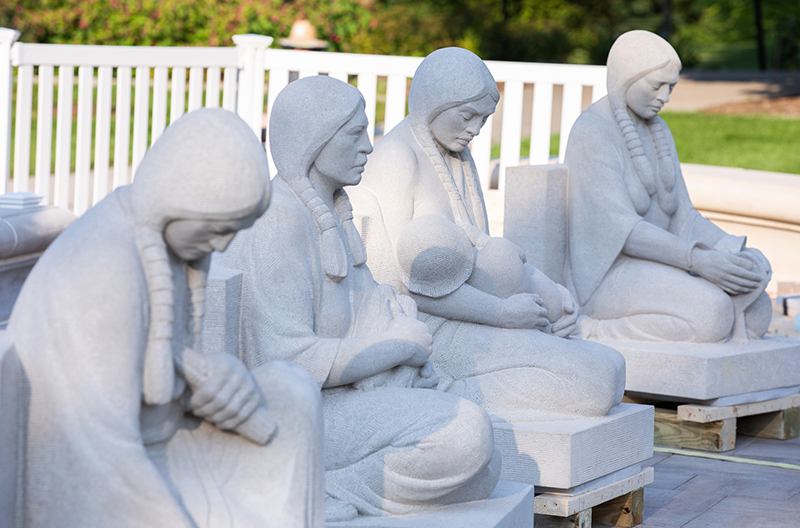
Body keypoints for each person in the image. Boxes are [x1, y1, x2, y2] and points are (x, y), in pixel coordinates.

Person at [7, 108, 325, 528]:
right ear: (173, 203)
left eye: (234, 228)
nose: (223, 242)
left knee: (291, 391)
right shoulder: (106, 267)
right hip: (110, 478)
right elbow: (98, 451)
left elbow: (165, 372)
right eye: (216, 227)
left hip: (170, 442)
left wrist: (215, 387)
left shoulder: (171, 246)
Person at [219, 75, 500, 521]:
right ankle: (301, 487)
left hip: (350, 396)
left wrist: (399, 319)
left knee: (485, 465)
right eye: (354, 134)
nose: (369, 146)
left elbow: (371, 300)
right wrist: (397, 347)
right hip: (301, 414)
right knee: (466, 436)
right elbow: (287, 363)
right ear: (313, 142)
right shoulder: (278, 226)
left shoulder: (331, 209)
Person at [353, 47, 625, 422]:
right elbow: (398, 286)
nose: (476, 129)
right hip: (438, 329)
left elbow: (486, 246)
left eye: (483, 119)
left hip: (491, 314)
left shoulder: (457, 155)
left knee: (611, 364)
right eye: (468, 116)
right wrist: (501, 314)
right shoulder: (396, 159)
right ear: (434, 104)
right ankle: (444, 395)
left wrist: (547, 291)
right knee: (593, 382)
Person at [564, 30, 772, 343]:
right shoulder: (592, 132)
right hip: (610, 274)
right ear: (626, 79)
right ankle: (593, 331)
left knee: (757, 309)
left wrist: (730, 249)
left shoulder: (658, 129)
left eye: (671, 86)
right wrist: (698, 260)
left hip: (664, 262)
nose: (666, 96)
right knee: (713, 313)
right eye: (656, 85)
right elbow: (623, 230)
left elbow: (683, 216)